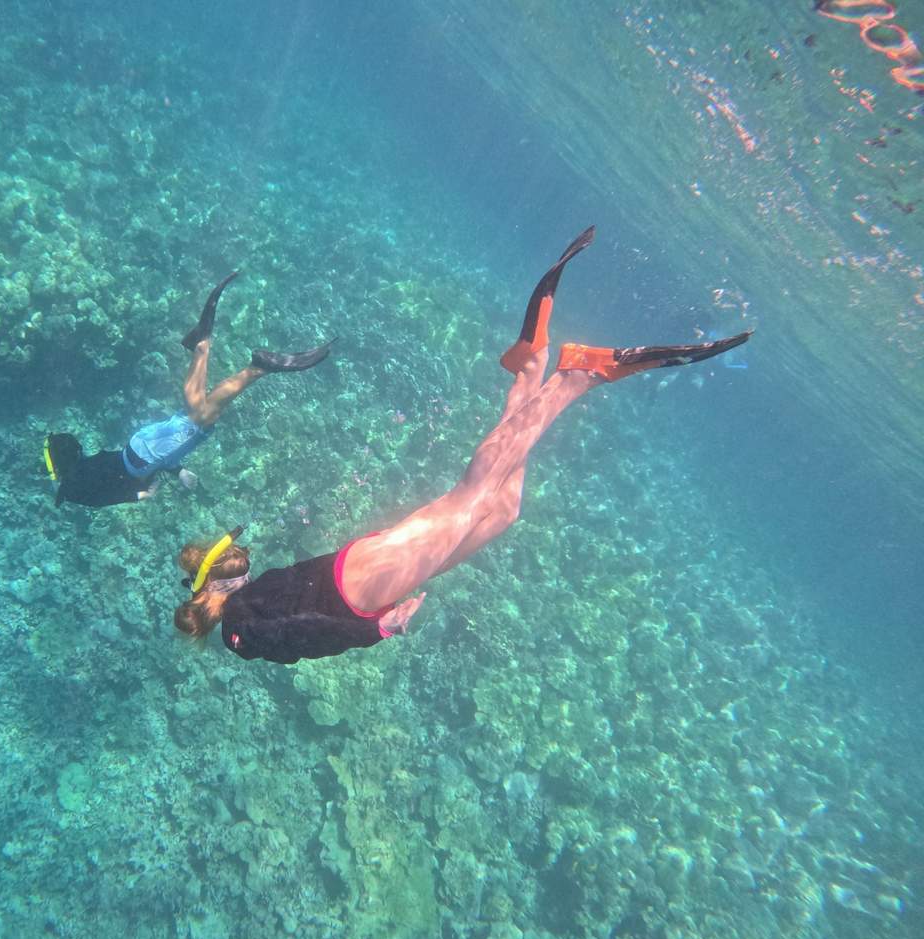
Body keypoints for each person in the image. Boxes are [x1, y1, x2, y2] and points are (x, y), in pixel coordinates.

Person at [173, 227, 752, 663]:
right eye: (232, 559)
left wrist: (375, 631)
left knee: (470, 498)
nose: (241, 561)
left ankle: (576, 377)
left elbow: (302, 634)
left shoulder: (240, 626)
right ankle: (530, 368)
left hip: (362, 586)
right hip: (362, 574)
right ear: (216, 582)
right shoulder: (241, 615)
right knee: (501, 509)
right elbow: (296, 629)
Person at [43, 271, 332, 507]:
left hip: (146, 457)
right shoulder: (76, 474)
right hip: (142, 449)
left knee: (199, 417)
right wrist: (179, 471)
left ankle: (246, 362)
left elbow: (104, 498)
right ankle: (217, 351)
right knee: (201, 413)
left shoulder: (73, 489)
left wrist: (140, 495)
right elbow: (87, 467)